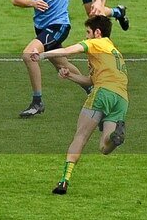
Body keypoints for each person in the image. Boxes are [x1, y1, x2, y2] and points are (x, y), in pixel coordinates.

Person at [30, 15, 128, 195]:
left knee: (80, 136)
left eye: (88, 32)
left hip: (103, 93)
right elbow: (90, 80)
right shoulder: (114, 52)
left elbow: (68, 51)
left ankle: (64, 181)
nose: (86, 36)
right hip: (121, 99)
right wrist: (70, 76)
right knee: (104, 147)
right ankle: (115, 137)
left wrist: (42, 55)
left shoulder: (96, 43)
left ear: (97, 32)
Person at [13, 0, 104, 118]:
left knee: (29, 55)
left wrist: (97, 1)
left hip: (59, 26)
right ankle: (93, 90)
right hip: (41, 27)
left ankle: (37, 102)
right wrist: (32, 2)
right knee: (62, 65)